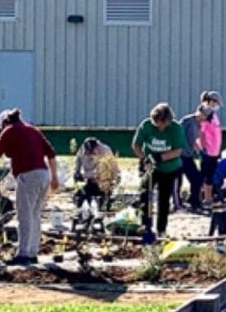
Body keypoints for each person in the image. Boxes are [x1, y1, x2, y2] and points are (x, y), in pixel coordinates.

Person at [0, 108, 60, 264]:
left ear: (5, 123)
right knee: (35, 214)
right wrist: (55, 178)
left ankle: (24, 254)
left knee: (25, 215)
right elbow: (51, 153)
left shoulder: (10, 131)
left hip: (28, 175)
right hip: (43, 175)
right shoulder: (33, 130)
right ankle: (32, 253)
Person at [132, 102, 188, 239]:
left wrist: (160, 157)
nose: (161, 127)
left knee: (164, 199)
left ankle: (161, 229)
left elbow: (178, 151)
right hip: (150, 167)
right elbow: (136, 144)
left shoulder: (176, 129)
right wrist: (144, 158)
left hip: (169, 168)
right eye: (158, 124)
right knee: (144, 194)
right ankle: (145, 224)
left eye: (163, 124)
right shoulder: (146, 125)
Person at [73, 136, 120, 210]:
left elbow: (103, 171)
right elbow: (77, 166)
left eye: (92, 151)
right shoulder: (82, 151)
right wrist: (77, 173)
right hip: (90, 180)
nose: (90, 153)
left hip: (105, 181)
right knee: (79, 197)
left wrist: (85, 175)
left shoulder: (105, 151)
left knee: (102, 199)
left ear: (97, 146)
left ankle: (106, 201)